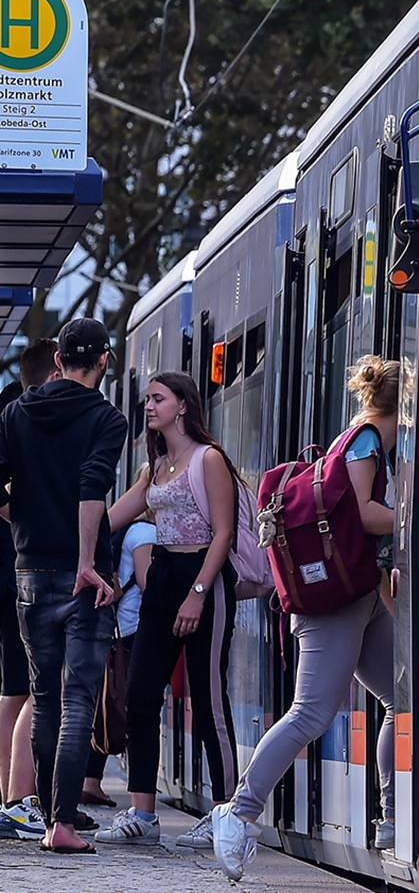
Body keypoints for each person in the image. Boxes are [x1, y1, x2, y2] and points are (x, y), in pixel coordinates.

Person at [213, 356, 400, 879]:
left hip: (357, 594)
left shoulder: (358, 440)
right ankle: (239, 811)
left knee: (400, 699)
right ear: (404, 406)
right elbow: (364, 513)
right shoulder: (364, 442)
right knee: (310, 714)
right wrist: (417, 518)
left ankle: (390, 820)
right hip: (333, 603)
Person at [0, 318, 127, 854]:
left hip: (29, 572)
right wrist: (82, 560)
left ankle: (50, 816)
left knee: (45, 696)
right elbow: (92, 485)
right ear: (101, 362)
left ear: (58, 361)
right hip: (83, 575)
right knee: (77, 701)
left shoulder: (15, 412)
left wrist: (23, 524)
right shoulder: (107, 418)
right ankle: (62, 826)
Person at [98, 373, 241, 848]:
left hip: (203, 578)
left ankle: (227, 814)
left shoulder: (209, 459)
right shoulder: (154, 467)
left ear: (183, 406)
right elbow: (108, 520)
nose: (149, 406)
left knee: (208, 700)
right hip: (161, 578)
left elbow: (223, 533)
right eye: (147, 400)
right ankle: (143, 815)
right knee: (139, 695)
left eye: (158, 399)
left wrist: (198, 593)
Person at [0, 338, 60, 838]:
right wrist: (29, 522)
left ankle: (14, 800)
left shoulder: (12, 414)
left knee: (19, 688)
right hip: (20, 569)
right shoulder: (22, 419)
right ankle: (17, 800)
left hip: (17, 565)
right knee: (26, 689)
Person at [79, 514, 153, 810]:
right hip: (133, 631)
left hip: (113, 630)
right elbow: (148, 583)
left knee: (106, 703)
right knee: (127, 707)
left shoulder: (123, 531)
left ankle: (90, 781)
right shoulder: (146, 533)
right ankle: (96, 782)